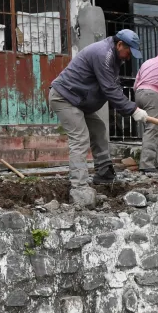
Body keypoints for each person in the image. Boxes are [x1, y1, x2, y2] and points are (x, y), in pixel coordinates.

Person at [49, 29, 148, 193]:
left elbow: (112, 87)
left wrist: (128, 108)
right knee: (80, 138)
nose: (129, 57)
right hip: (64, 97)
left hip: (80, 100)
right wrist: (133, 109)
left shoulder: (114, 57)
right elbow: (109, 88)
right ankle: (79, 186)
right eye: (129, 52)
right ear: (120, 44)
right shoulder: (103, 54)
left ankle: (104, 173)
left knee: (99, 129)